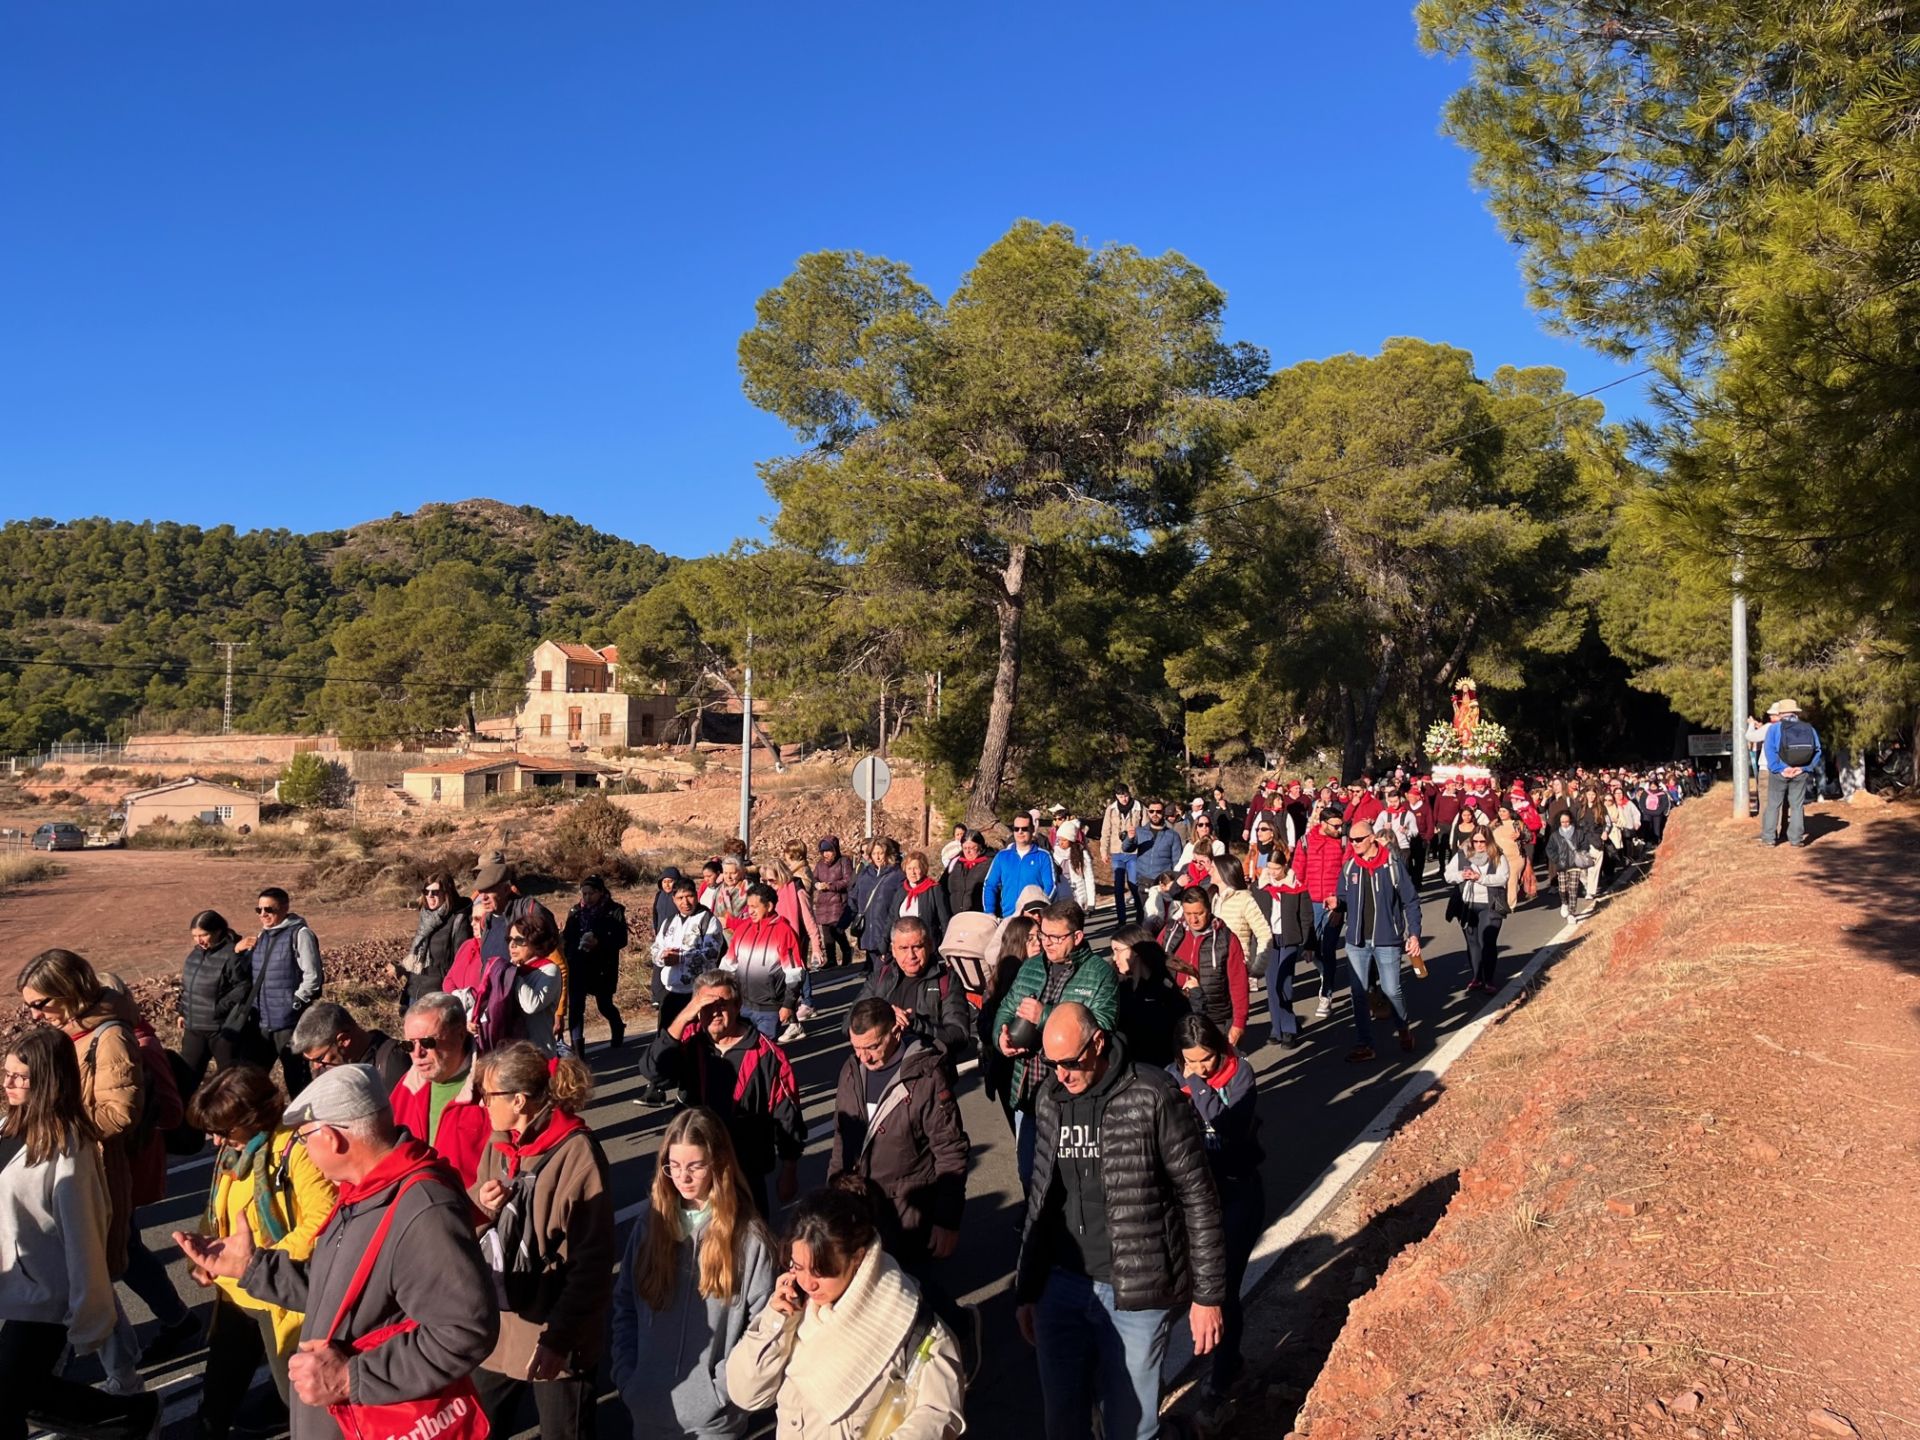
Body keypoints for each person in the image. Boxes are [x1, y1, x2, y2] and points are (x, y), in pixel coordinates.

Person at [174, 1063, 499, 1440]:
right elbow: (335, 1289)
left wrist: (350, 1377)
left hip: (376, 1423)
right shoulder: (361, 1195)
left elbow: (465, 1330)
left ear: (331, 1138)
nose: (304, 1152)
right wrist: (252, 1267)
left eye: (305, 1138)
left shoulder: (421, 1209)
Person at [1015, 1004, 1226, 1440]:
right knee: (1063, 1424)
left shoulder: (1152, 1093)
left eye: (1071, 1063)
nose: (1062, 1075)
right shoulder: (1050, 1097)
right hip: (1061, 1285)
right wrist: (1028, 1287)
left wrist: (1208, 1297)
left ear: (1097, 1044)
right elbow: (1040, 1197)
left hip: (1136, 1291)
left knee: (1129, 1429)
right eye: (1052, 1064)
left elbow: (1199, 1197)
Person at [0, 1029, 161, 1440]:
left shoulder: (70, 1149)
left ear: (50, 1080)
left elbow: (85, 1233)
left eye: (21, 1077)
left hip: (42, 1295)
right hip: (11, 1288)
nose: (9, 1084)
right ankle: (134, 1418)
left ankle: (134, 1417)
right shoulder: (6, 1128)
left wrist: (88, 1312)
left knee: (11, 1394)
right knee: (25, 1392)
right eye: (6, 1074)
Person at [725, 1187, 966, 1439]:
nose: (808, 1282)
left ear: (858, 1257)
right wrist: (774, 1324)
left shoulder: (907, 1320)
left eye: (822, 1271)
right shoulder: (792, 1305)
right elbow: (746, 1393)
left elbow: (939, 1413)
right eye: (797, 1266)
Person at [468, 1043, 615, 1440]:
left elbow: (593, 1263)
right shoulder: (498, 1145)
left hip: (556, 1329)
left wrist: (558, 1339)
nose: (481, 1103)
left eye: (487, 1095)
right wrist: (480, 1203)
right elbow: (470, 1219)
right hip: (501, 1325)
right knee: (476, 1429)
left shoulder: (578, 1154)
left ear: (518, 1100)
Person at [186, 1064, 337, 1440]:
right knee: (218, 1391)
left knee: (299, 1397)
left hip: (276, 1292)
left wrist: (258, 1261)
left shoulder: (296, 1149)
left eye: (224, 1132)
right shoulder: (234, 1154)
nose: (217, 1143)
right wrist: (207, 1253)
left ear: (254, 1118)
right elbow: (218, 1210)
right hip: (236, 1293)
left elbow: (323, 1218)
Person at [610, 1107, 777, 1439]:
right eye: (673, 1166)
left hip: (715, 1421)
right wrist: (628, 1376)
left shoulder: (748, 1239)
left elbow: (762, 1327)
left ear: (718, 1164)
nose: (683, 1177)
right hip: (648, 1410)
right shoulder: (650, 1224)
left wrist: (721, 1390)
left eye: (695, 1166)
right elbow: (624, 1304)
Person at [828, 998, 970, 1308]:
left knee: (916, 1296)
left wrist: (947, 1220)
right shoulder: (851, 1070)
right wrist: (833, 1193)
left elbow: (951, 1151)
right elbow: (842, 1136)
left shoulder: (926, 1076)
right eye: (856, 1048)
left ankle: (960, 1330)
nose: (864, 1056)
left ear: (895, 1032)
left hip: (910, 1213)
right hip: (860, 1208)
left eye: (873, 1047)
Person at [15, 950, 144, 1282]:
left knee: (96, 1271)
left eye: (40, 1004)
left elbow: (118, 1114)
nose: (34, 1015)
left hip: (96, 1168)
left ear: (68, 991)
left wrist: (55, 1124)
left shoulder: (111, 1037)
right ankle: (175, 1320)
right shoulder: (67, 1031)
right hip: (72, 1160)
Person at [642, 971, 804, 1216]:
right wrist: (685, 1015)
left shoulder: (766, 1054)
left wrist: (789, 1169)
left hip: (744, 1174)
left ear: (738, 1006)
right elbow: (654, 1071)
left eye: (723, 1004)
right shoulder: (689, 1042)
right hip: (695, 1173)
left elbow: (787, 1115)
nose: (714, 1012)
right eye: (707, 1005)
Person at [1169, 1013, 1263, 1408]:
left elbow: (1226, 1126)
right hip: (1194, 1199)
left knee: (1223, 1288)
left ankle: (1225, 1374)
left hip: (1238, 1192)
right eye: (1191, 1061)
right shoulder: (1170, 1077)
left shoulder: (1240, 1076)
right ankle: (1228, 1357)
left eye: (1206, 1059)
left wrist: (1196, 1084)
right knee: (1195, 1284)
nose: (1202, 1068)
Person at [994, 899, 1121, 1183]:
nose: (1047, 943)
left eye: (1055, 937)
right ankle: (1033, 1223)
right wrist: (1000, 1036)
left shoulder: (1100, 975)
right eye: (1043, 935)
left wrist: (1045, 1016)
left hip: (1074, 1094)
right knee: (1029, 1172)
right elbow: (1005, 1008)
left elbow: (1103, 1028)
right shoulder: (1030, 968)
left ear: (1077, 937)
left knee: (1075, 1178)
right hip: (1029, 1091)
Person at [1335, 819, 1424, 1063]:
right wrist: (1335, 903)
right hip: (1356, 941)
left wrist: (1414, 933)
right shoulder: (1350, 867)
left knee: (1391, 989)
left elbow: (1411, 901)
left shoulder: (1392, 864)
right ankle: (1364, 1043)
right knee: (1358, 992)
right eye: (1351, 840)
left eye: (1359, 840)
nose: (1354, 844)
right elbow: (1342, 897)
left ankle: (1403, 1028)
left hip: (1387, 940)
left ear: (1372, 838)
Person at [389, 991, 492, 1187]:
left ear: (460, 1035)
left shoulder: (493, 1087)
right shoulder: (406, 1088)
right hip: (414, 1209)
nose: (418, 1053)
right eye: (409, 1045)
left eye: (428, 1042)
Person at [856, 917, 975, 1062]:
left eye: (917, 947)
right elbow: (848, 1024)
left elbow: (960, 1036)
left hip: (929, 1072)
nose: (911, 955)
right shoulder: (880, 977)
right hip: (882, 1072)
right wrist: (883, 1016)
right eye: (903, 948)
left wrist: (914, 1024)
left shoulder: (946, 979)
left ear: (930, 945)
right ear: (893, 950)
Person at [242, 886, 324, 1094]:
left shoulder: (300, 934)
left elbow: (313, 976)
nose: (263, 914)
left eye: (268, 909)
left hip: (289, 1021)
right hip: (262, 1020)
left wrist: (294, 1003)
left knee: (297, 1077)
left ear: (284, 907)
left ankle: (305, 1123)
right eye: (258, 910)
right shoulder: (263, 936)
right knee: (254, 1077)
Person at [1157, 887, 1252, 1051]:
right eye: (1188, 914)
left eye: (1198, 913)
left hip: (1214, 1016)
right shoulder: (1171, 932)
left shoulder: (1226, 939)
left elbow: (1239, 984)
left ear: (1209, 909)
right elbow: (1154, 963)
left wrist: (1239, 1023)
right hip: (1177, 1013)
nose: (1193, 920)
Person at [178, 908, 259, 1086]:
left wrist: (219, 1008)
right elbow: (188, 988)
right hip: (194, 1029)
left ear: (218, 931)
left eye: (204, 935)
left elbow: (243, 986)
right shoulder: (194, 955)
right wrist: (182, 1011)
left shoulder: (232, 955)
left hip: (222, 1031)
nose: (199, 940)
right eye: (194, 936)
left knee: (230, 1083)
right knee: (185, 1081)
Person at [722, 883, 808, 1043]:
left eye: (755, 907)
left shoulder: (784, 931)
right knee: (743, 1054)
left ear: (769, 906)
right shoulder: (742, 929)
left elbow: (794, 973)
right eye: (748, 906)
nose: (750, 911)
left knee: (763, 1053)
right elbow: (728, 966)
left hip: (769, 1009)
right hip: (741, 1005)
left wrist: (788, 1005)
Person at [650, 875, 732, 1041]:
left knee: (697, 1040)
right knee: (667, 1040)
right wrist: (663, 957)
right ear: (673, 899)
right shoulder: (668, 922)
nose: (685, 902)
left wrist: (680, 958)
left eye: (689, 896)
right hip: (671, 992)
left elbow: (711, 953)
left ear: (696, 896)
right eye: (680, 898)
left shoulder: (708, 920)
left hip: (698, 992)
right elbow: (655, 949)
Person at [1255, 849, 1317, 1050]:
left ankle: (1289, 1028)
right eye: (1270, 868)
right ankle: (1277, 1028)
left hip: (1289, 938)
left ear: (1285, 867)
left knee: (1285, 983)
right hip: (1269, 940)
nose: (1272, 873)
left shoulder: (1296, 888)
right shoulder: (1260, 888)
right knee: (1272, 986)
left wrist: (1309, 944)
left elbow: (1307, 918)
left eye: (1277, 868)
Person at [562, 875, 628, 1056]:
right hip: (578, 964)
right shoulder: (575, 912)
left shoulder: (614, 911)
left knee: (604, 1004)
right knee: (576, 1007)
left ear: (601, 892)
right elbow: (567, 936)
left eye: (591, 893)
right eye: (584, 894)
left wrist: (599, 943)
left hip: (602, 966)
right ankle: (578, 1050)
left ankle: (617, 1026)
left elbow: (621, 939)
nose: (587, 897)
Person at [1106, 927, 1186, 1068]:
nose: (1114, 957)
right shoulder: (1120, 987)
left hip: (1161, 1069)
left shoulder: (1164, 989)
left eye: (1118, 950)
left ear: (1135, 951)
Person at [1445, 831, 1511, 994]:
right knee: (1472, 942)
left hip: (1490, 904)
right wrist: (1462, 875)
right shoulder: (1462, 855)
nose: (1479, 845)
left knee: (1487, 941)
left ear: (1489, 841)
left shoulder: (1498, 856)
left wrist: (1480, 878)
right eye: (1476, 841)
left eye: (1483, 841)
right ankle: (1477, 977)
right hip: (1467, 903)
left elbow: (1503, 878)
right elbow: (1448, 875)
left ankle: (1488, 979)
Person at [291, 999, 408, 1090]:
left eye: (319, 1059)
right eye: (309, 1060)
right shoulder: (325, 1068)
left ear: (344, 1040)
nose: (315, 1067)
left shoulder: (394, 1064)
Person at [397, 872, 472, 1010]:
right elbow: (418, 959)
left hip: (438, 997)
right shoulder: (426, 918)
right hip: (415, 993)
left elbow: (461, 963)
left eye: (435, 892)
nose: (430, 895)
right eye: (426, 891)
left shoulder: (458, 921)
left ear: (447, 893)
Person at [1762, 697, 1823, 846]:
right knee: (1797, 806)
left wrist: (1779, 769)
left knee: (1773, 805)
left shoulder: (1774, 728)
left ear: (1780, 713)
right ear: (1796, 712)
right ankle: (1796, 839)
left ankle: (1769, 838)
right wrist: (1804, 768)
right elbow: (1817, 750)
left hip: (1779, 773)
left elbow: (1769, 750)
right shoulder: (1808, 728)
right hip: (1800, 772)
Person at [981, 813, 1057, 917]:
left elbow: (1051, 886)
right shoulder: (1002, 856)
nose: (1020, 832)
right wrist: (989, 912)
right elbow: (990, 885)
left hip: (1033, 917)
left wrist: (1039, 909)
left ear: (1032, 829)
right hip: (1008, 917)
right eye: (1016, 829)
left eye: (1024, 828)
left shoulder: (1043, 856)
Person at [852, 838, 907, 972]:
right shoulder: (865, 873)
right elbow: (854, 896)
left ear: (888, 854)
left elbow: (900, 904)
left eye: (881, 853)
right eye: (874, 853)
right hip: (867, 930)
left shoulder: (897, 875)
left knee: (886, 972)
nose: (877, 856)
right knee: (873, 974)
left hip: (886, 930)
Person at [1101, 784, 1145, 926]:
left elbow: (1146, 830)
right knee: (1118, 887)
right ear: (1116, 796)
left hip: (1133, 852)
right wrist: (1103, 850)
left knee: (1134, 885)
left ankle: (1141, 915)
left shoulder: (1139, 807)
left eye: (1125, 795)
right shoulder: (1111, 809)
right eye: (1120, 796)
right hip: (1116, 852)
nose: (1124, 799)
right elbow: (1106, 831)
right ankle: (1121, 920)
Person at [894, 850, 952, 955]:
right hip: (904, 948)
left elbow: (944, 921)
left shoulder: (934, 889)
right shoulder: (901, 891)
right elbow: (892, 918)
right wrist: (884, 945)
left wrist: (946, 948)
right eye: (909, 868)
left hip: (927, 947)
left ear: (923, 869)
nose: (912, 872)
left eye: (916, 868)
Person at [813, 836, 857, 968]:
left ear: (835, 850)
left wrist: (830, 886)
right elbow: (814, 877)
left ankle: (846, 951)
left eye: (828, 851)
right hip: (823, 902)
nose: (825, 854)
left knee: (837, 930)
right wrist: (817, 885)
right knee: (826, 932)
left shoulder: (844, 862)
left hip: (838, 901)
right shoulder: (820, 865)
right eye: (823, 851)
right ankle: (831, 959)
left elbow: (848, 881)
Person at [1051, 820, 1098, 911]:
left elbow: (1089, 878)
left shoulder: (1081, 854)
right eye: (1059, 839)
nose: (1061, 843)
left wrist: (1091, 902)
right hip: (1060, 898)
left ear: (1071, 839)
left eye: (1064, 840)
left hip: (1078, 897)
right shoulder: (1054, 855)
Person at [943, 830, 993, 916]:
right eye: (965, 848)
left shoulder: (990, 864)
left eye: (973, 848)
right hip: (955, 918)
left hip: (979, 917)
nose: (968, 852)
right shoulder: (955, 863)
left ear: (980, 846)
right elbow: (942, 887)